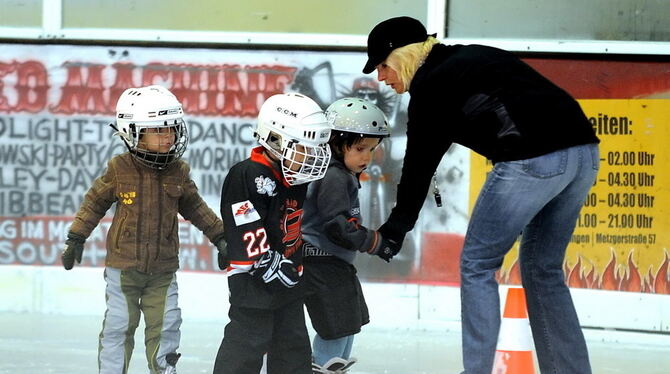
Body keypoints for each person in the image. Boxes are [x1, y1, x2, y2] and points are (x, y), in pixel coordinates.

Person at [362, 16, 600, 374]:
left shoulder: (431, 87)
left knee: (477, 265)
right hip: (584, 153)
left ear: (403, 54)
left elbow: (417, 168)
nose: (380, 76)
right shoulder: (473, 56)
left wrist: (395, 229)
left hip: (531, 159)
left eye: (382, 65)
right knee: (543, 269)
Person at [60, 85, 228, 374]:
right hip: (123, 269)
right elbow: (94, 203)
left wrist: (220, 236)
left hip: (163, 270)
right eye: (159, 131)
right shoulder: (119, 168)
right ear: (133, 132)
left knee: (166, 325)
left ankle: (164, 370)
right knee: (118, 326)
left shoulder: (178, 171)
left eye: (172, 129)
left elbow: (197, 208)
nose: (169, 137)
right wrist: (76, 237)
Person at [213, 93, 332, 374]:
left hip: (289, 283)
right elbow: (243, 222)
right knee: (245, 347)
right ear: (275, 140)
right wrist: (265, 261)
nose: (312, 156)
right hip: (254, 285)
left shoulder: (294, 174)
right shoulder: (247, 174)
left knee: (293, 352)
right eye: (304, 147)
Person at [301, 97, 392, 373]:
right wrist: (374, 242)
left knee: (346, 324)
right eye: (360, 148)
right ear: (336, 145)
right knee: (337, 326)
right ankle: (322, 367)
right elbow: (336, 225)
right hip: (322, 263)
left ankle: (331, 367)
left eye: (372, 149)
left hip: (332, 263)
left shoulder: (342, 174)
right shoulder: (334, 176)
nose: (367, 156)